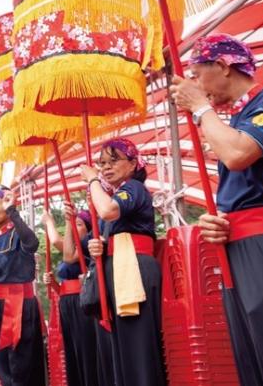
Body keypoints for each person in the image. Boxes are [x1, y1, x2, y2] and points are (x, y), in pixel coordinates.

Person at [170, 33, 263, 385]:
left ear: (223, 66)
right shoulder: (236, 120)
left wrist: (201, 108)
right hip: (237, 243)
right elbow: (241, 187)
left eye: (197, 74)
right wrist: (221, 220)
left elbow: (238, 155)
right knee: (251, 351)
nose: (196, 85)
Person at [78, 138, 165, 386]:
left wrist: (93, 180)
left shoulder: (134, 188)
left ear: (133, 164)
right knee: (122, 346)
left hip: (134, 269)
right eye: (102, 162)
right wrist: (101, 247)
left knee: (139, 345)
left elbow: (107, 211)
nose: (105, 167)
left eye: (113, 160)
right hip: (119, 267)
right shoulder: (117, 194)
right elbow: (109, 228)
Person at [0, 187, 46, 386]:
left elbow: (32, 244)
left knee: (23, 366)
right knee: (3, 366)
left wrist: (13, 212)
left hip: (21, 305)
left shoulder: (19, 233)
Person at [45, 206, 98, 386]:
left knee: (85, 349)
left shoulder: (85, 246)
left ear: (89, 229)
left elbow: (56, 242)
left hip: (81, 302)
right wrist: (53, 283)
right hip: (67, 303)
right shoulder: (73, 247)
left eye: (80, 224)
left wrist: (52, 223)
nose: (75, 227)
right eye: (74, 223)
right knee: (72, 351)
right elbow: (62, 291)